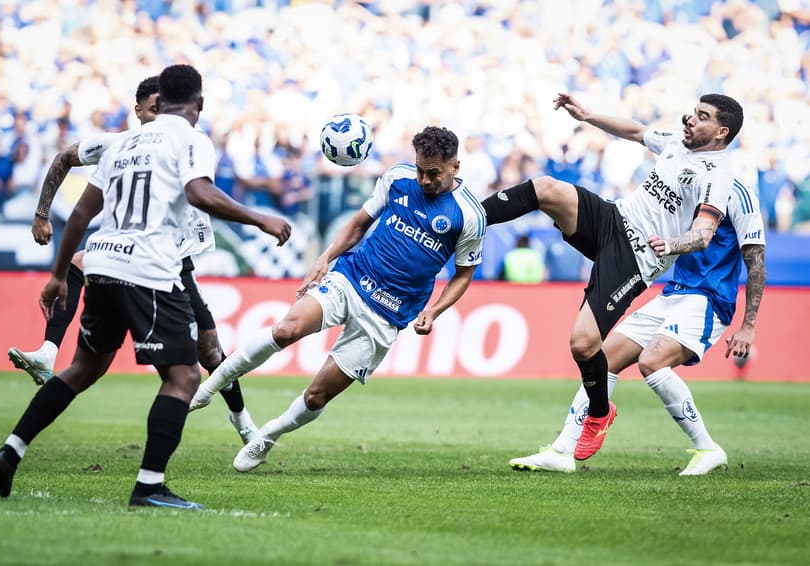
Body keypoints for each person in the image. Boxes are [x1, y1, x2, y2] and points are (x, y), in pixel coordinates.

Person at [0, 64, 292, 509]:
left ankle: (11, 451)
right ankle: (149, 486)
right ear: (198, 105)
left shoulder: (121, 143)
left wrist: (56, 275)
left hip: (102, 262)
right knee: (184, 377)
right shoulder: (190, 138)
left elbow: (80, 214)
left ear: (159, 100)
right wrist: (259, 217)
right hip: (148, 269)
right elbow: (200, 194)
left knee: (82, 369)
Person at [189, 126, 486, 472]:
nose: (423, 180)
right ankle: (209, 387)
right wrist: (324, 259)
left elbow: (464, 273)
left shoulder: (469, 216)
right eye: (420, 169)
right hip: (353, 276)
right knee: (287, 329)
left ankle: (267, 436)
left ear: (455, 167)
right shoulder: (397, 179)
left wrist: (434, 310)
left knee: (317, 395)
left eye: (433, 173)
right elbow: (359, 224)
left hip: (388, 313)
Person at [481, 92, 743, 460]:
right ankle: (469, 218)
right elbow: (636, 132)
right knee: (546, 188)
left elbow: (703, 234)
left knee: (583, 344)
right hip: (613, 220)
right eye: (692, 112)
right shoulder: (676, 143)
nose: (690, 119)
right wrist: (588, 116)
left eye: (701, 116)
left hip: (635, 257)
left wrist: (672, 243)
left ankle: (600, 414)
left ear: (721, 132)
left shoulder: (718, 176)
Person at [6, 76, 260, 444]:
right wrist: (42, 213)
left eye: (167, 108)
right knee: (80, 263)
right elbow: (64, 158)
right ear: (138, 111)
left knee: (209, 350)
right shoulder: (119, 143)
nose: (163, 116)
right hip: (137, 257)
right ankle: (48, 352)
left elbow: (201, 192)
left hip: (175, 260)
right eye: (155, 109)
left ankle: (243, 422)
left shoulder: (187, 142)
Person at [509, 178, 766, 475]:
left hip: (710, 299)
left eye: (696, 127)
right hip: (674, 292)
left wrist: (749, 325)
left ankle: (707, 447)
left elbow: (756, 260)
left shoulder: (740, 195)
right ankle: (562, 450)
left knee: (652, 362)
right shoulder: (686, 178)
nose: (689, 129)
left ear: (720, 135)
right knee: (604, 357)